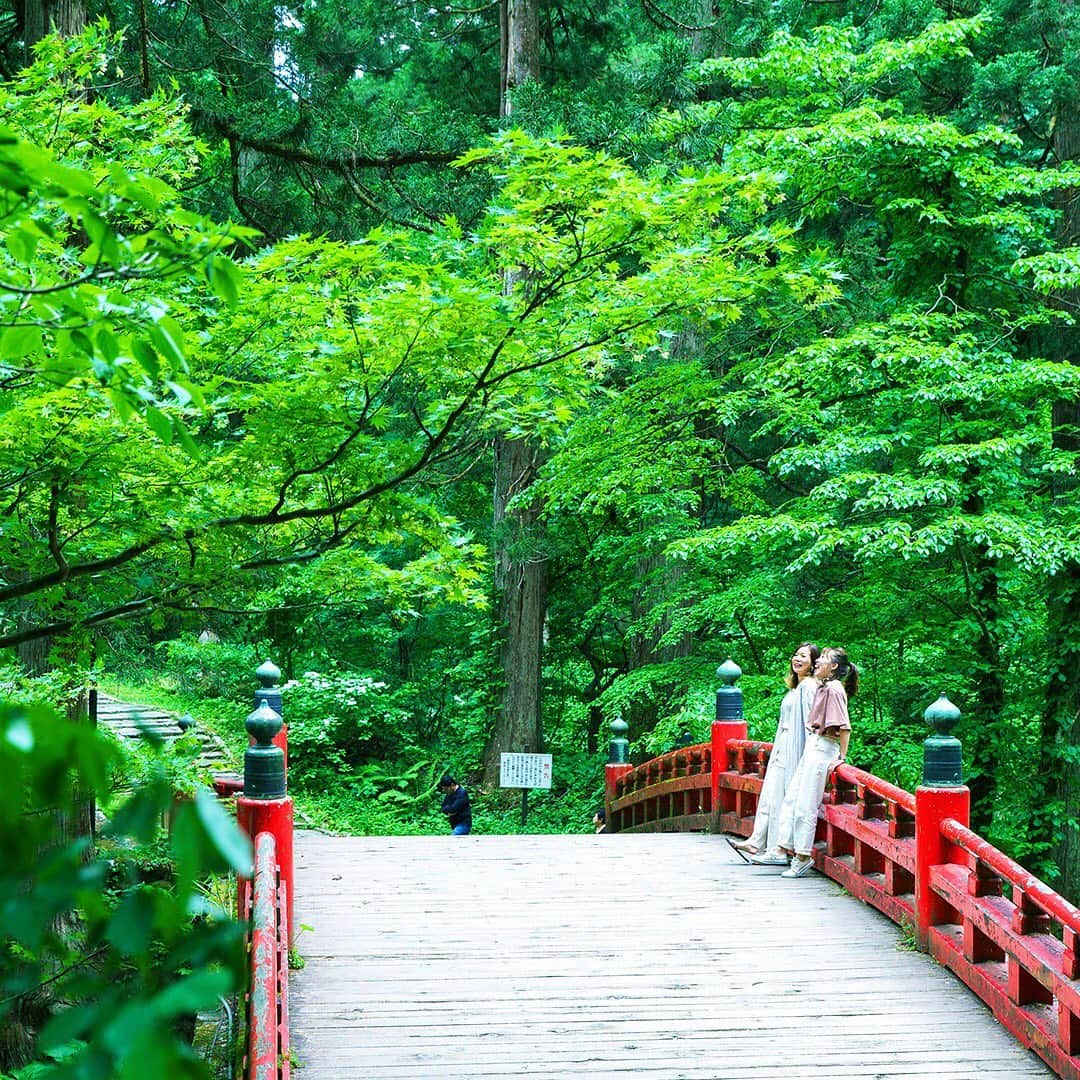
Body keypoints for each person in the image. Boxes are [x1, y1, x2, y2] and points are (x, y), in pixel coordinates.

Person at [770, 646, 858, 878]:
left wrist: (841, 758)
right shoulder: (824, 687)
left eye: (824, 660)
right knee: (792, 800)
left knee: (805, 805)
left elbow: (844, 727)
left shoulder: (834, 689)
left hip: (823, 748)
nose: (817, 662)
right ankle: (784, 848)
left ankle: (802, 856)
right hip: (814, 745)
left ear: (834, 667)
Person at [729, 643, 819, 862]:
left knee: (782, 797)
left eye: (804, 656)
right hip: (782, 746)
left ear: (813, 663)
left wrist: (809, 754)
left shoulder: (808, 686)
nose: (797, 659)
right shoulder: (794, 688)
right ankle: (757, 841)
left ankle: (777, 851)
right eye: (796, 654)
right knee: (770, 794)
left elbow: (810, 722)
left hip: (795, 747)